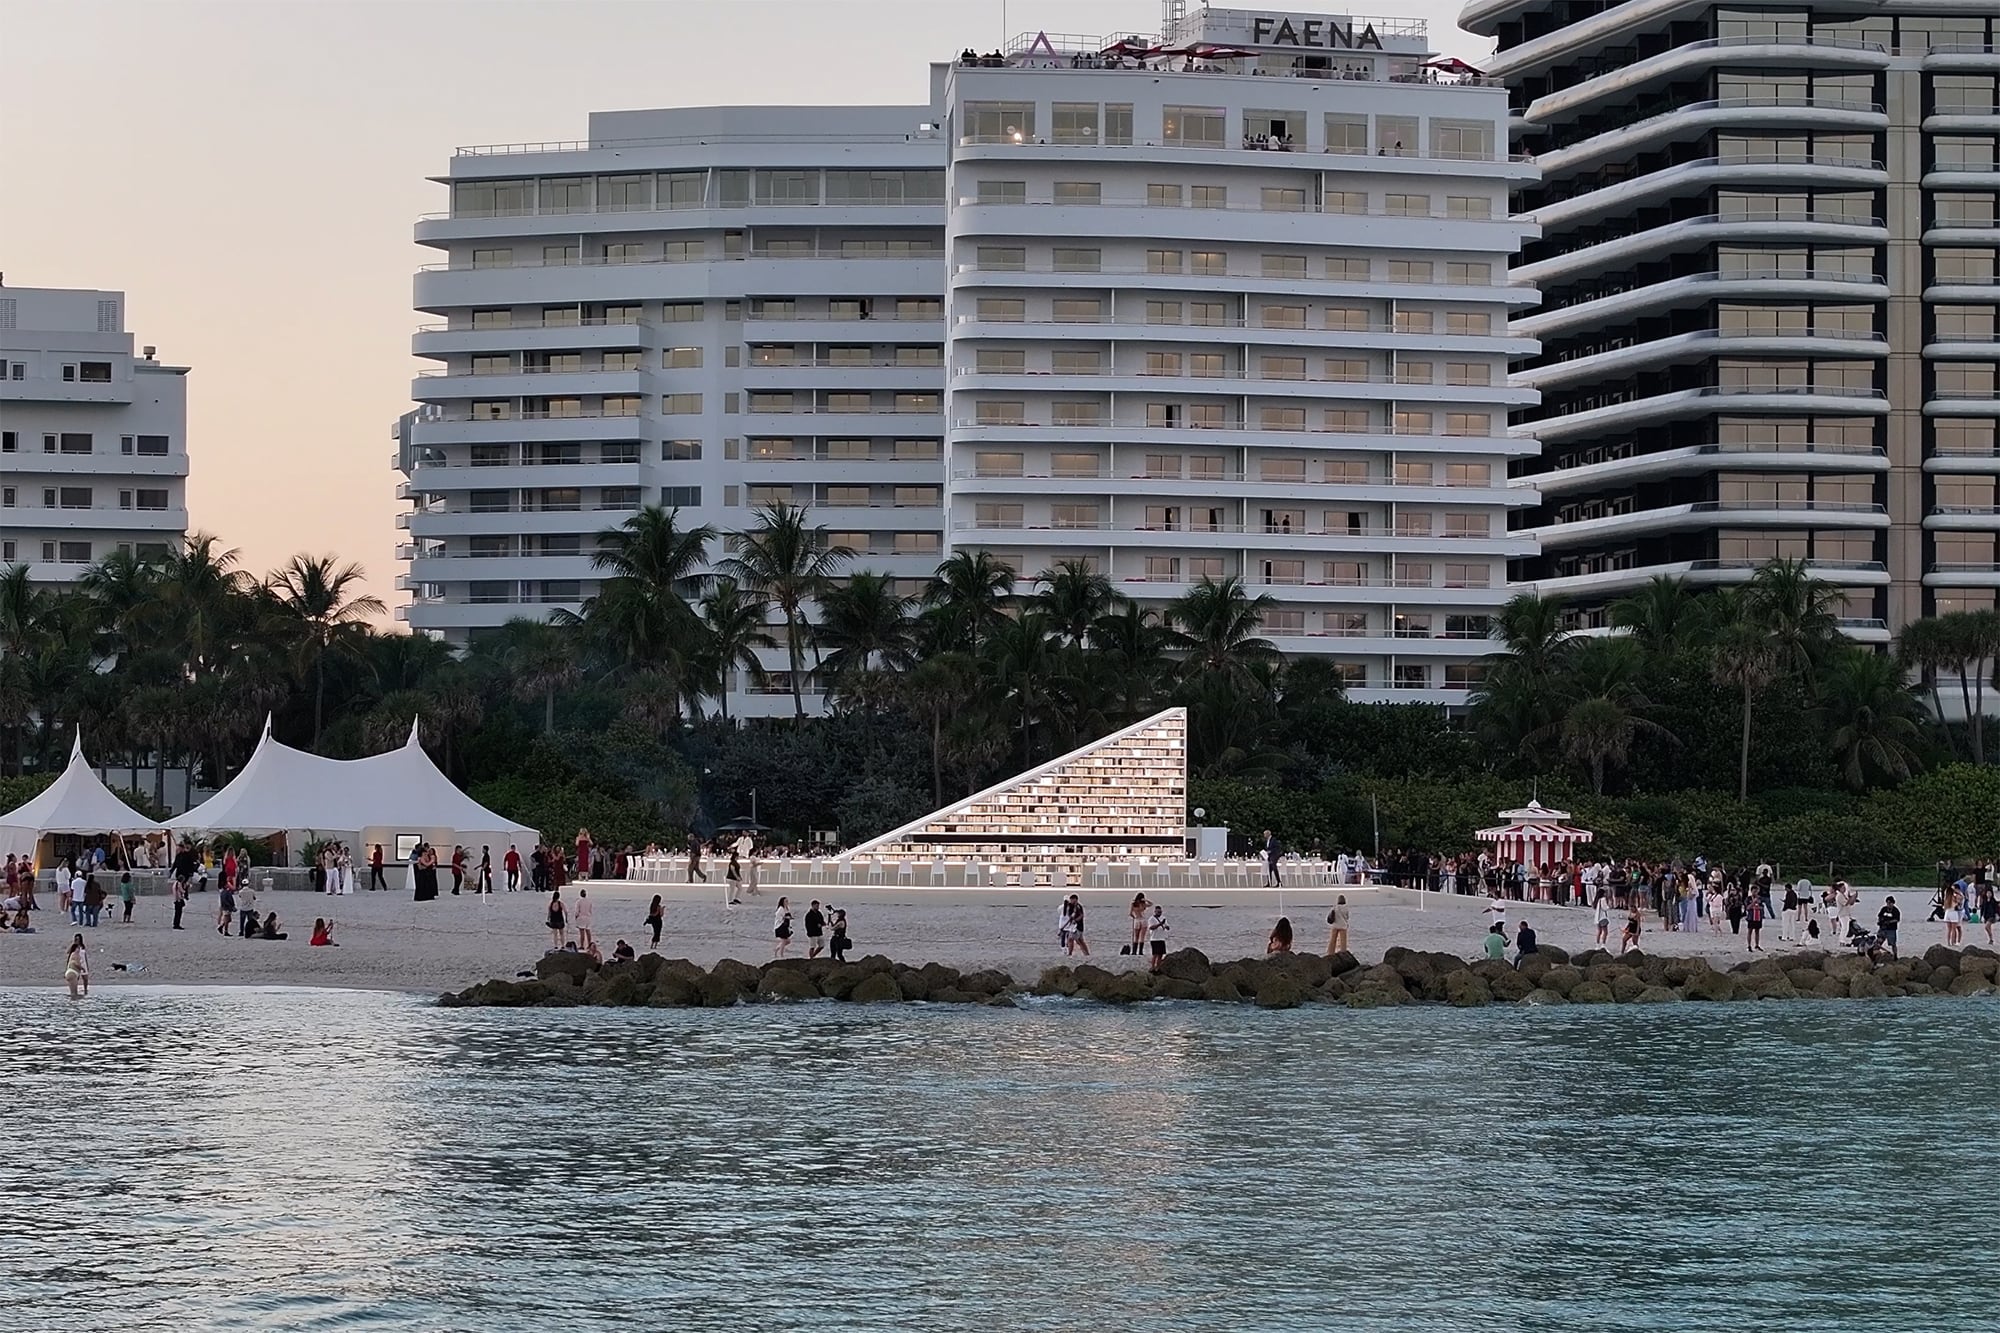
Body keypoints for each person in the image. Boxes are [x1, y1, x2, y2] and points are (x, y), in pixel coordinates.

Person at [1147, 902, 1170, 972]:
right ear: (1155, 912)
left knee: (1161, 954)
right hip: (1154, 939)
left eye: (1160, 912)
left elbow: (1167, 926)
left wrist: (1166, 927)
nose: (1159, 913)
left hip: (1161, 938)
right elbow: (1151, 927)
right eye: (1158, 912)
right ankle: (1152, 967)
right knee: (1155, 954)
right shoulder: (1151, 919)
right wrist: (1159, 924)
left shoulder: (1163, 918)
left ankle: (1158, 967)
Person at [65, 933, 89, 998]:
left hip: (82, 962)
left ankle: (85, 990)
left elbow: (85, 955)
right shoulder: (74, 948)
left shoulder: (82, 947)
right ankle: (76, 990)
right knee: (76, 977)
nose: (77, 940)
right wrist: (73, 945)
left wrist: (86, 964)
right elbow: (68, 952)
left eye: (78, 939)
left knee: (85, 978)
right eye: (76, 939)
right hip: (77, 965)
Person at [573, 887, 595, 953]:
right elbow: (590, 910)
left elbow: (577, 911)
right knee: (588, 932)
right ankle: (589, 944)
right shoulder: (589, 901)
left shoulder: (579, 901)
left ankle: (582, 945)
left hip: (581, 917)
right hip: (588, 917)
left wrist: (576, 917)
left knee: (582, 932)